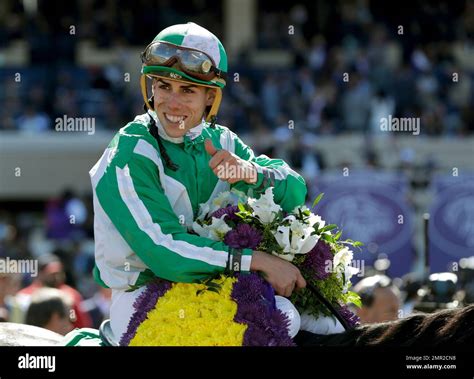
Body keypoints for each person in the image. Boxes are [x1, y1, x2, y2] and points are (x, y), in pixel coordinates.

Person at [89, 22, 308, 340]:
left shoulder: (223, 142)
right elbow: (164, 251)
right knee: (274, 319)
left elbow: (295, 192)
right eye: (163, 86)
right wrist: (257, 261)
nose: (172, 102)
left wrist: (250, 174)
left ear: (211, 97)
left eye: (188, 90)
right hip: (140, 296)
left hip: (213, 282)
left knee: (317, 322)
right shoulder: (129, 151)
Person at [16, 254, 92, 328]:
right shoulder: (25, 296)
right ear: (40, 273)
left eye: (60, 273)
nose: (57, 277)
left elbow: (79, 322)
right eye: (53, 274)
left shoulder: (71, 295)